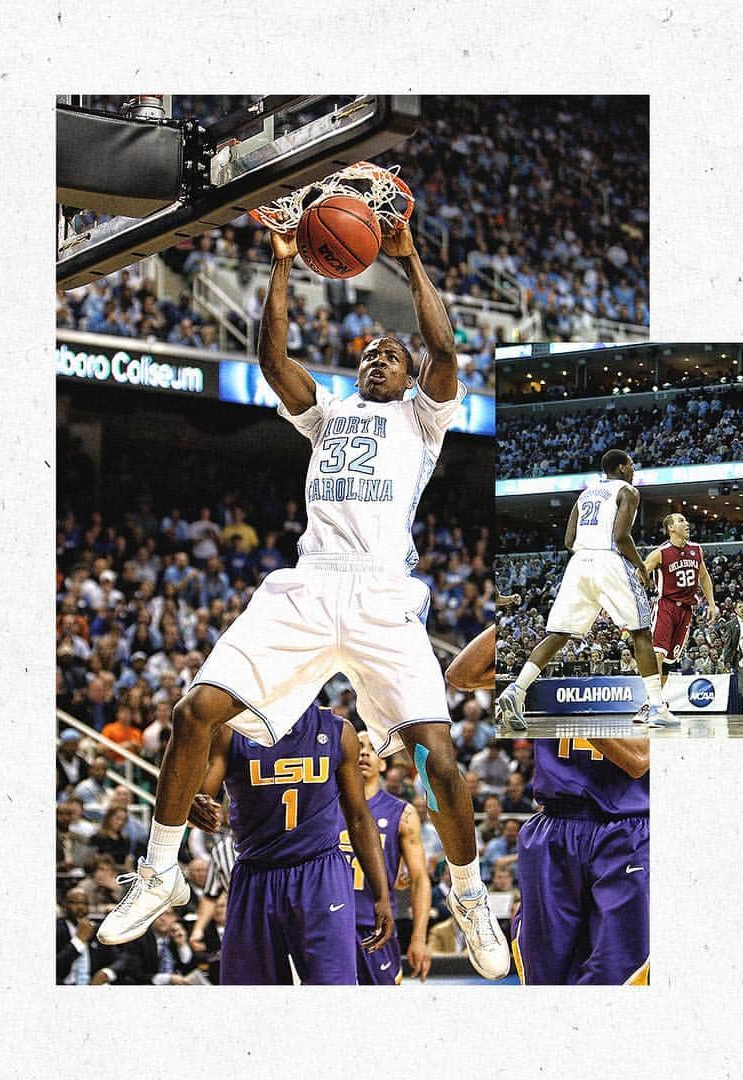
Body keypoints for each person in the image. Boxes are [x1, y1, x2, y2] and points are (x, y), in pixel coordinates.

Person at [97, 223, 509, 981]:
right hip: (309, 584)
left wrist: (409, 254)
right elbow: (271, 360)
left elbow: (447, 352)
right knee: (194, 713)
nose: (374, 358)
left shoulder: (422, 418)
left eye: (389, 354)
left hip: (383, 590)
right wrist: (283, 265)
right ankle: (159, 871)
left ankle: (469, 893)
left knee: (440, 762)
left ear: (411, 374)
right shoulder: (327, 416)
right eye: (366, 355)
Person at [183, 701, 392, 984]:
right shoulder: (232, 729)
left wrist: (381, 894)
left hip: (320, 873)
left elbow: (358, 817)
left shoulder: (338, 730)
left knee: (333, 995)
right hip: (256, 873)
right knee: (250, 1003)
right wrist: (195, 804)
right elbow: (200, 799)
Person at [495, 450, 671, 729]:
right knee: (641, 632)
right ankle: (658, 708)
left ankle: (517, 690)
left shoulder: (586, 494)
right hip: (608, 560)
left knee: (558, 635)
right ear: (622, 468)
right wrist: (640, 566)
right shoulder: (628, 491)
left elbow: (568, 539)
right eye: (632, 465)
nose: (634, 470)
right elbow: (621, 537)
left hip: (578, 564)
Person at [511, 738, 649, 985]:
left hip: (627, 825)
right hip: (556, 820)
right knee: (542, 975)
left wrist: (572, 703)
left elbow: (638, 760)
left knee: (616, 971)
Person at [339, 732, 432, 985]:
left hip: (376, 929)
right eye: (358, 746)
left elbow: (420, 879)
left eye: (372, 748)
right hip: (331, 926)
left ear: (383, 763)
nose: (364, 752)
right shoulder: (325, 806)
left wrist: (418, 938)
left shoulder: (402, 813)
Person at [641, 513, 716, 707]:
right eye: (681, 521)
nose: (687, 523)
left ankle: (655, 702)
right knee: (657, 653)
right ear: (671, 528)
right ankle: (654, 703)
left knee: (669, 660)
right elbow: (639, 573)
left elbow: (704, 577)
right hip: (666, 605)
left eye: (686, 520)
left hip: (687, 610)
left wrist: (712, 604)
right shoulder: (661, 552)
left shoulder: (696, 550)